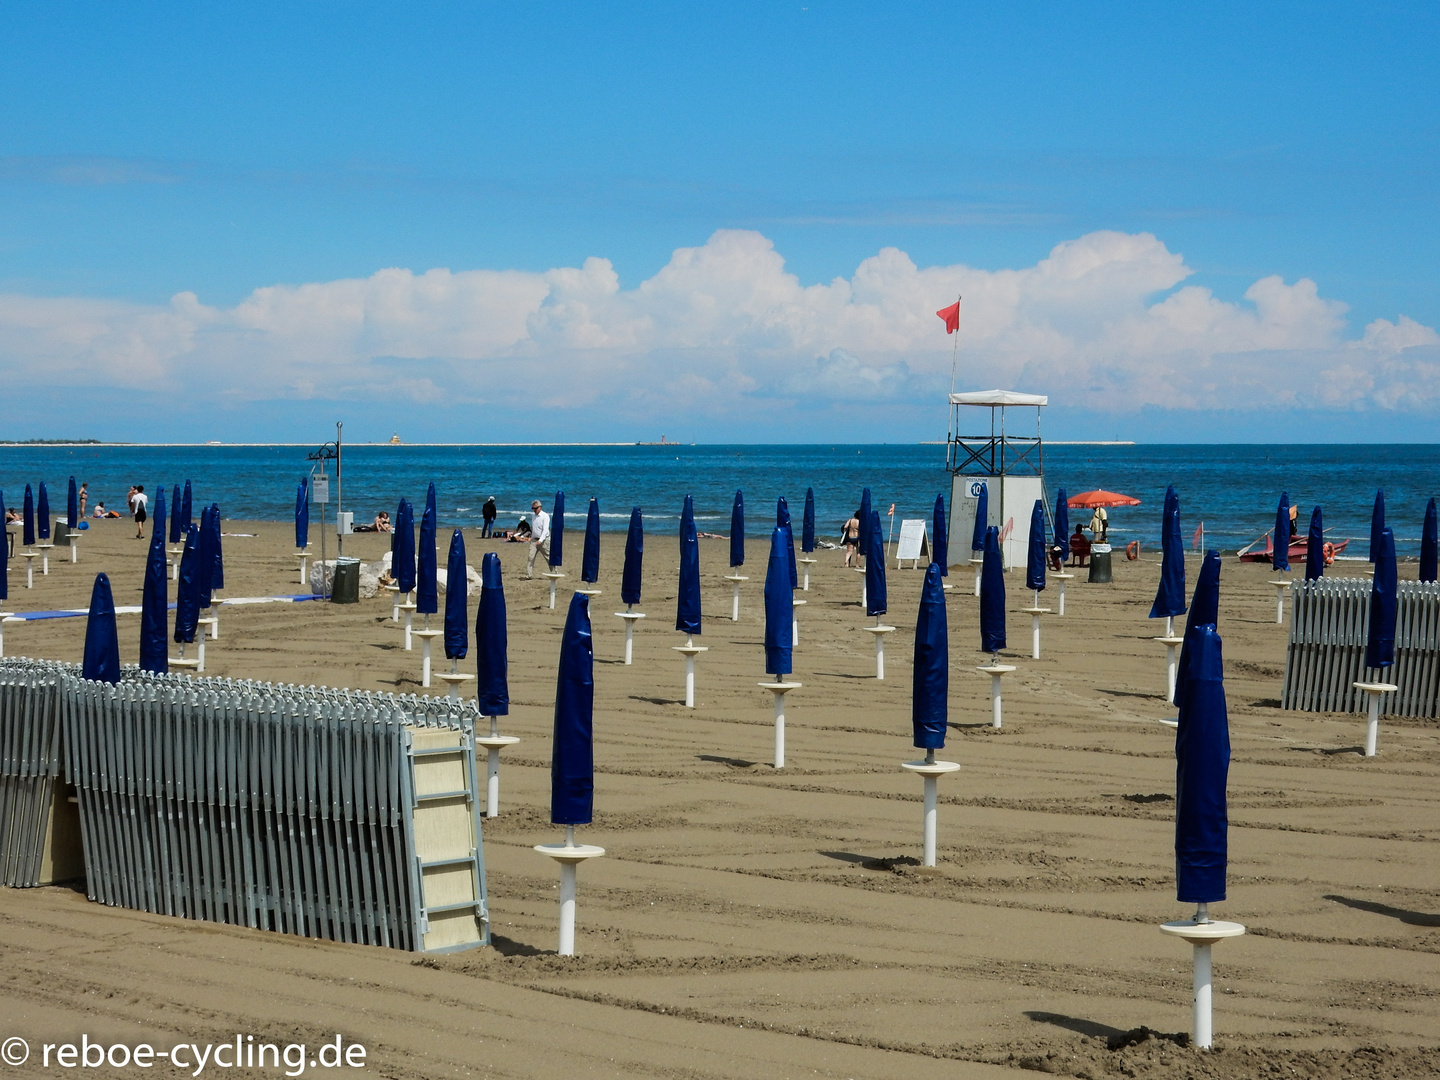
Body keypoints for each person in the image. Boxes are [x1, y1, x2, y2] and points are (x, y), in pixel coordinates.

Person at [525, 499, 551, 578]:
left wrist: (541, 540)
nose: (534, 510)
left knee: (548, 556)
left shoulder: (545, 516)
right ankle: (529, 574)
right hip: (534, 540)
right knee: (530, 557)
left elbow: (545, 529)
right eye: (533, 509)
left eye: (536, 508)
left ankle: (554, 571)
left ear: (540, 507)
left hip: (543, 540)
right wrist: (531, 537)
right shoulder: (533, 516)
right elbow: (534, 528)